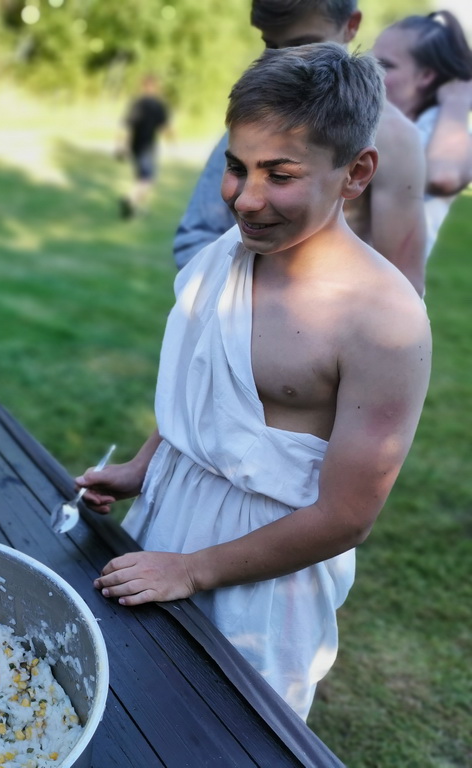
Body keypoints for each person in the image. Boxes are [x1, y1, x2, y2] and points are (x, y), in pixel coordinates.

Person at [76, 43, 431, 720]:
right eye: (237, 167)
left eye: (280, 174)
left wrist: (193, 570)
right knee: (129, 703)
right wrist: (145, 467)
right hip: (168, 519)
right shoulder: (229, 255)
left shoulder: (384, 323)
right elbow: (205, 388)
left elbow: (347, 516)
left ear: (356, 173)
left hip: (268, 580)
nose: (246, 198)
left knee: (225, 730)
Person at [171, 0, 428, 298]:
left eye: (303, 44)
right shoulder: (253, 122)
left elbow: (405, 285)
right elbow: (197, 234)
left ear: (351, 26)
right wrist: (237, 309)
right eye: (271, 45)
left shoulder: (395, 139)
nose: (284, 59)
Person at [372, 10, 472, 259]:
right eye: (370, 61)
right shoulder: (370, 120)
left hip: (388, 277)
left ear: (426, 76)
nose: (371, 72)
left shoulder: (443, 129)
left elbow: (443, 177)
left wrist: (456, 102)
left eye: (385, 65)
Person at [117, 74, 170, 219]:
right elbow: (165, 126)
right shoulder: (157, 105)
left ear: (143, 86)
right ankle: (129, 199)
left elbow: (127, 125)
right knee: (147, 180)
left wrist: (122, 145)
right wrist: (173, 143)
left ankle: (138, 208)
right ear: (155, 87)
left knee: (140, 178)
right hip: (148, 146)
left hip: (135, 146)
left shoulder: (137, 103)